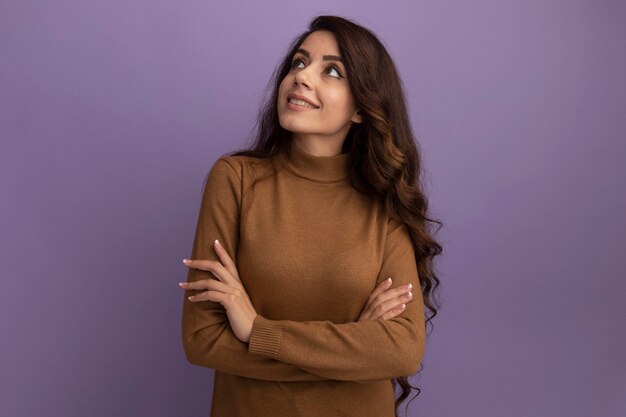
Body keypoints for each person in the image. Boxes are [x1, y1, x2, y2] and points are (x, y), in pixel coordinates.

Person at [179, 15, 442, 417]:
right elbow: (203, 340)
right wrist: (354, 348)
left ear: (360, 108)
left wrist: (256, 331)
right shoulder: (236, 180)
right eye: (298, 63)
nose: (301, 77)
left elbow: (403, 350)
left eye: (331, 71)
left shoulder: (383, 203)